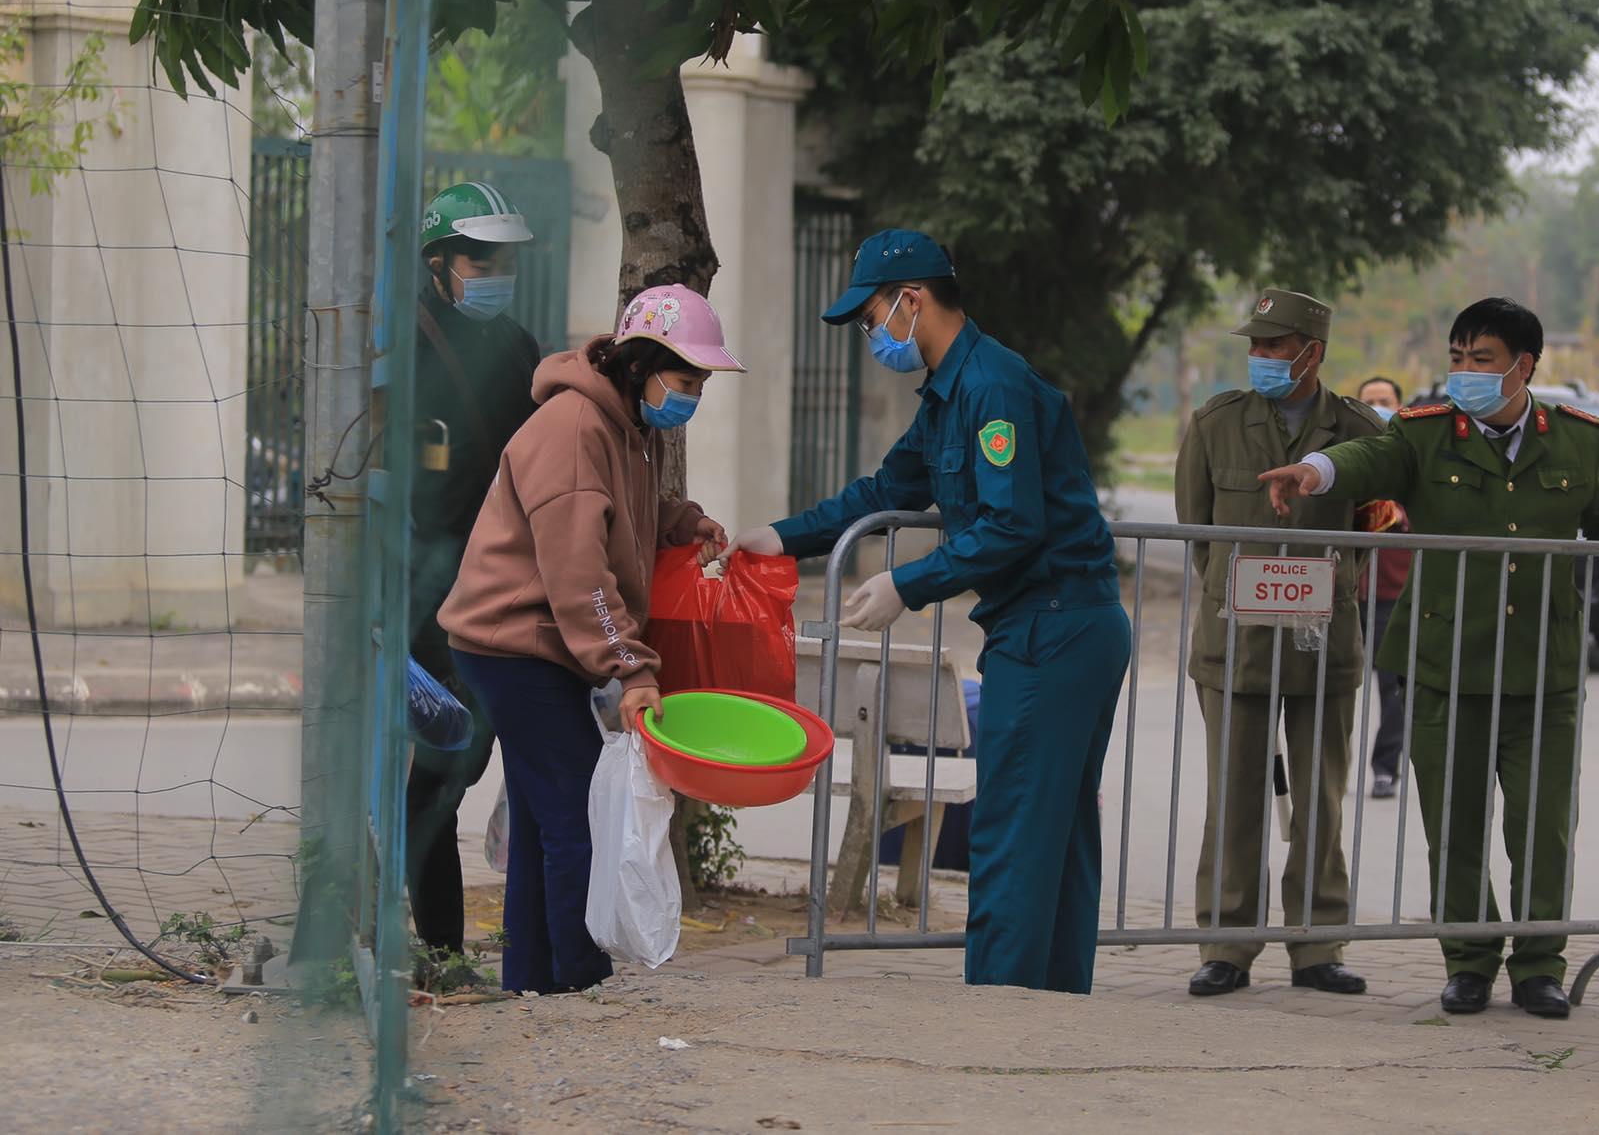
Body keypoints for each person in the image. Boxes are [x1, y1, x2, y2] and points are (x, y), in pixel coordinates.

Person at [722, 229, 1129, 995]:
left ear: (912, 299)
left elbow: (1014, 526)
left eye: (872, 316)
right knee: (1056, 831)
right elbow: (887, 491)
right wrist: (780, 536)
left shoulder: (991, 388)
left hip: (1054, 628)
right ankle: (1054, 1005)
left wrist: (907, 586)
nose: (871, 335)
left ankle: (998, 1009)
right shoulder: (950, 391)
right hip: (1054, 626)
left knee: (1013, 832)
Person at [1258, 298, 1599, 1020]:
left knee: (1542, 831)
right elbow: (1370, 458)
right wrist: (1314, 470)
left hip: (1541, 672)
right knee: (1453, 829)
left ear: (1523, 367)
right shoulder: (1425, 435)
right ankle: (1468, 962)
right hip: (1443, 666)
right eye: (1456, 358)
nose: (1464, 373)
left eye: (1480, 360)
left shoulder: (1576, 440)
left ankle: (1540, 966)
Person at [437, 285, 740, 994]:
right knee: (580, 817)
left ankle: (533, 983)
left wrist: (680, 520)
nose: (693, 395)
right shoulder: (575, 428)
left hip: (540, 644)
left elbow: (620, 512)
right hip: (514, 646)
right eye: (687, 378)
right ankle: (578, 983)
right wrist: (631, 669)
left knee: (550, 823)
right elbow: (579, 576)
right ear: (640, 366)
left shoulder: (629, 427)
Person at [1174, 289, 1383, 999]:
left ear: (1312, 352)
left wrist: (1330, 587)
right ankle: (1227, 945)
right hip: (1233, 647)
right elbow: (1197, 531)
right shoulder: (1217, 423)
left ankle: (1316, 944)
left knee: (1321, 801)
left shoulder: (1360, 430)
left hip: (1325, 648)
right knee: (1234, 800)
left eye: (1274, 346)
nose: (1260, 358)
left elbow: (1374, 529)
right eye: (1255, 347)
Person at [405, 182, 541, 966]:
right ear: (440, 264)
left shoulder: (520, 347)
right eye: (480, 257)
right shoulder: (403, 353)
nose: (495, 270)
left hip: (507, 592)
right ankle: (444, 949)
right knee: (440, 775)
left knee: (470, 763)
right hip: (428, 598)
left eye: (504, 259)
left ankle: (466, 945)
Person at [1354, 375, 1413, 801]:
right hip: (1343, 595)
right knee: (1330, 685)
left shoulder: (1413, 456)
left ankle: (1384, 768)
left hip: (1395, 593)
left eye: (1385, 400)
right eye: (1370, 401)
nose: (1378, 406)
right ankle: (1326, 768)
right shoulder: (1346, 454)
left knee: (1395, 688)